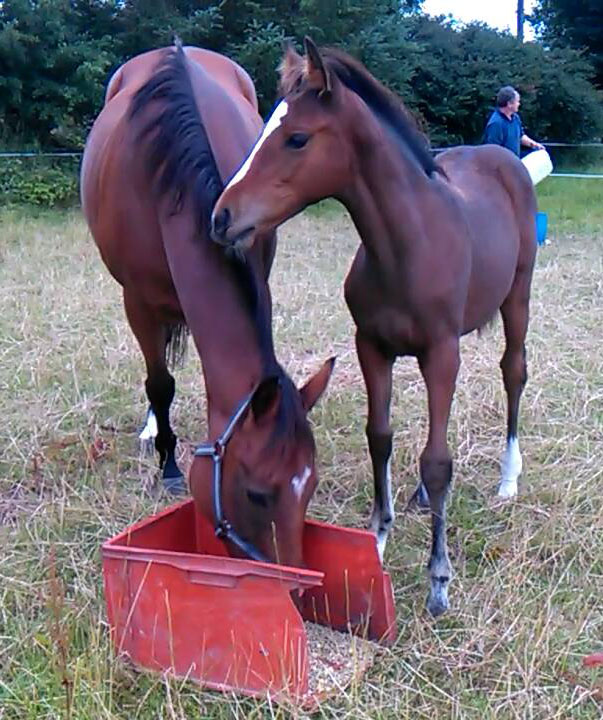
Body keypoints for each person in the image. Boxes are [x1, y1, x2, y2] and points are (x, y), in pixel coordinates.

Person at [483, 86, 545, 157]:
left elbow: (520, 136)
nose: (519, 104)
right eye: (517, 101)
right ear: (509, 104)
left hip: (514, 164)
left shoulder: (515, 118)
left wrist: (535, 144)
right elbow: (493, 152)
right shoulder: (496, 124)